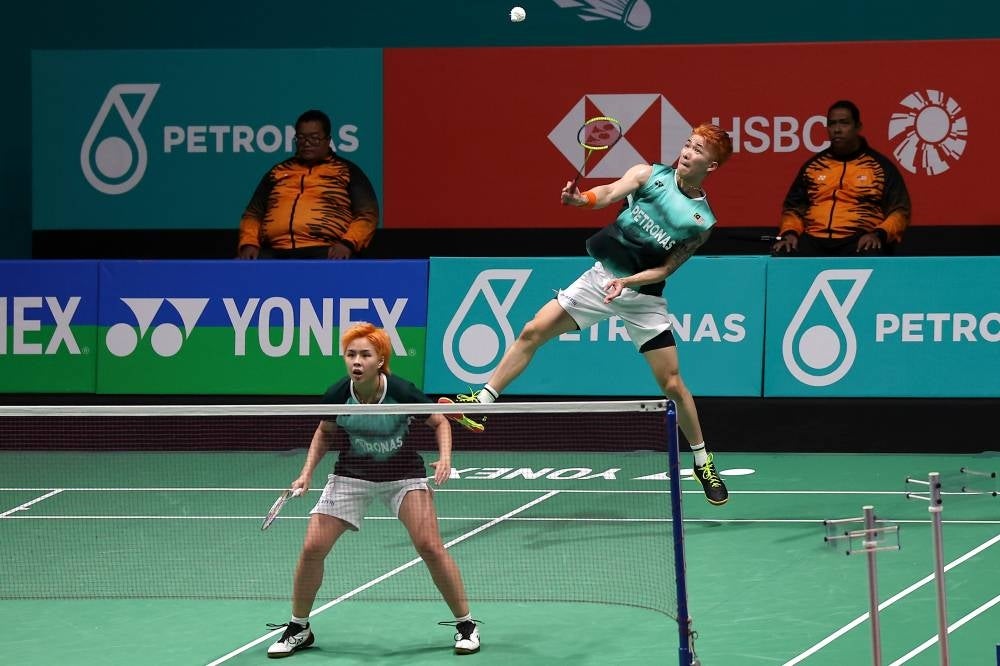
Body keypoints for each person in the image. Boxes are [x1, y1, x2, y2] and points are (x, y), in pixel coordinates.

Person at [451, 123, 734, 506]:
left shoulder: (701, 221)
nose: (687, 152)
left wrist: (629, 282)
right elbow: (607, 194)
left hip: (642, 298)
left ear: (711, 165)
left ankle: (703, 461)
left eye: (698, 149)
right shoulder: (647, 174)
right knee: (533, 330)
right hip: (600, 280)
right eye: (687, 144)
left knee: (671, 384)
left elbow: (666, 269)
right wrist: (580, 199)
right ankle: (482, 404)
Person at [267, 322, 480, 658]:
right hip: (352, 474)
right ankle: (299, 627)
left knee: (430, 546)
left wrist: (444, 459)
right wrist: (305, 473)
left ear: (379, 360)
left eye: (365, 354)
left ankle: (466, 624)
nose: (356, 360)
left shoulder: (400, 390)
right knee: (312, 547)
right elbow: (324, 433)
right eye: (351, 354)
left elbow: (439, 420)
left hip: (402, 476)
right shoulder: (338, 393)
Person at [771, 100, 911, 256]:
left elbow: (900, 211)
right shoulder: (813, 166)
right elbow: (793, 209)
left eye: (844, 123)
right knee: (784, 250)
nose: (837, 129)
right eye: (832, 124)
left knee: (872, 249)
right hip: (814, 239)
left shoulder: (880, 166)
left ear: (858, 127)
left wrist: (878, 234)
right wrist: (790, 233)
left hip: (859, 240)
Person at [238, 109, 378, 260]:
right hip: (275, 251)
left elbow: (367, 214)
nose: (307, 143)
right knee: (239, 269)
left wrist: (347, 244)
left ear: (328, 140)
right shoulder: (278, 171)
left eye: (315, 138)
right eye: (301, 137)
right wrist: (249, 243)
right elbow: (253, 213)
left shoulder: (346, 170)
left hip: (326, 251)